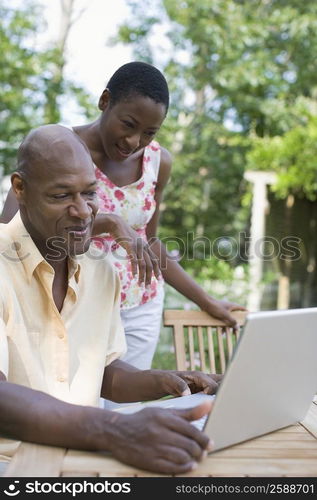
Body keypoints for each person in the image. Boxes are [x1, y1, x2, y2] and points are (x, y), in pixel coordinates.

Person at [0, 124, 222, 476]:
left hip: (88, 461)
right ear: (20, 189)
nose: (83, 212)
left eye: (90, 193)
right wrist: (114, 430)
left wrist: (168, 380)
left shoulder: (101, 270)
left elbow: (102, 373)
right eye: (61, 196)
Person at [1, 61, 246, 371]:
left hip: (140, 304)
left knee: (126, 410)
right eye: (128, 124)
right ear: (105, 102)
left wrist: (207, 301)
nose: (134, 142)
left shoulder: (158, 161)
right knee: (80, 407)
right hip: (76, 301)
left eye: (149, 133)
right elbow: (11, 237)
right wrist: (108, 223)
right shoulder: (58, 150)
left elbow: (149, 243)